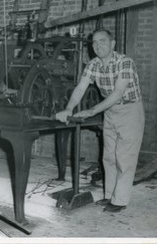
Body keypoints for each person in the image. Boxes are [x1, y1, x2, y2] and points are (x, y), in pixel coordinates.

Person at [55, 29, 145, 213]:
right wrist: (69, 108)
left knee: (124, 158)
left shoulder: (124, 62)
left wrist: (91, 111)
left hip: (130, 110)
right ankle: (109, 196)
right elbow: (80, 88)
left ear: (112, 44)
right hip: (110, 112)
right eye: (94, 43)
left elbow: (118, 93)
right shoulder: (93, 65)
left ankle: (119, 201)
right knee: (109, 156)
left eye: (102, 41)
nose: (98, 46)